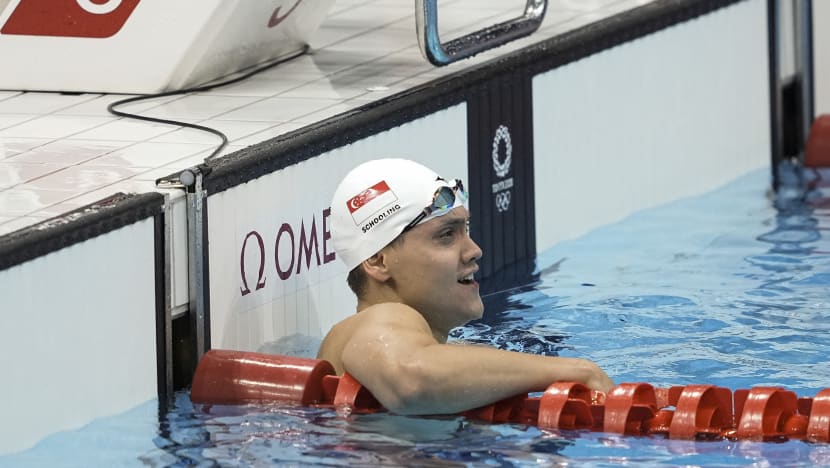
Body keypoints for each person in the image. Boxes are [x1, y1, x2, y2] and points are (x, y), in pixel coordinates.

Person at [317, 158, 613, 415]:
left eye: (466, 230)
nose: (474, 250)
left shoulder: (442, 352)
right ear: (378, 262)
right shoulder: (380, 319)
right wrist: (580, 371)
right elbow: (411, 379)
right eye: (446, 235)